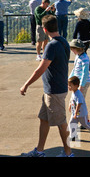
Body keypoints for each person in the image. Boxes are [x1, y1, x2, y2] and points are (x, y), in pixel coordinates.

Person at [20, 15, 73, 157]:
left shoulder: (52, 45)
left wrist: (26, 84)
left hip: (54, 91)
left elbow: (40, 69)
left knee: (62, 123)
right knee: (44, 119)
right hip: (53, 89)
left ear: (44, 29)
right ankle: (40, 150)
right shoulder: (63, 42)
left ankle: (68, 154)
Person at [68, 76, 90, 141]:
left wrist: (76, 113)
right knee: (72, 123)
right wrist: (70, 106)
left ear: (76, 86)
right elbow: (72, 100)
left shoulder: (78, 94)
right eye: (68, 85)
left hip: (81, 113)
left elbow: (79, 103)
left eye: (70, 85)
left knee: (86, 124)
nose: (69, 87)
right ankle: (73, 136)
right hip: (75, 113)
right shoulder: (73, 92)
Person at [73, 7, 90, 78]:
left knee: (82, 57)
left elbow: (75, 33)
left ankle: (89, 72)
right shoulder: (88, 22)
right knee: (83, 56)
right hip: (87, 42)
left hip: (81, 42)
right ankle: (88, 72)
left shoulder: (79, 23)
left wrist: (74, 41)